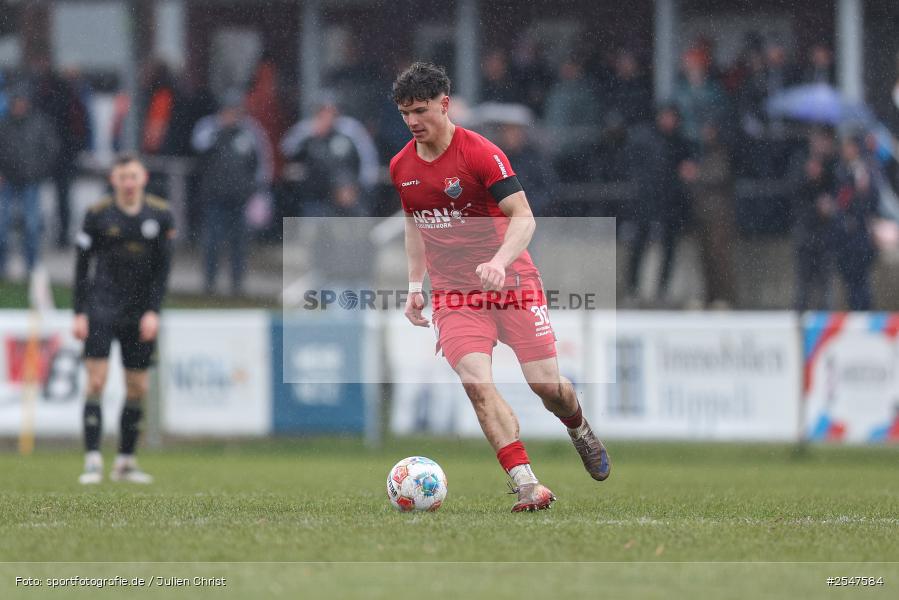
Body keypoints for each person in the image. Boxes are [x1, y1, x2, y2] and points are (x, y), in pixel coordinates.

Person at [389, 62, 610, 513]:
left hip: (512, 282)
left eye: (421, 110)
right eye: (405, 113)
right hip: (455, 294)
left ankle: (579, 426)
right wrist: (415, 283)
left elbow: (523, 217)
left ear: (444, 105)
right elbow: (415, 225)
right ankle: (527, 483)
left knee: (547, 387)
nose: (413, 121)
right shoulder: (402, 166)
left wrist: (498, 260)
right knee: (476, 383)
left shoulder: (480, 153)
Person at [72, 154, 175, 484]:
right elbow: (81, 267)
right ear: (113, 180)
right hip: (101, 308)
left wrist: (153, 312)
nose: (128, 183)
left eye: (133, 176)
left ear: (143, 177)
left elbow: (163, 270)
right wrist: (79, 312)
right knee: (97, 381)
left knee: (138, 387)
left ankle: (125, 461)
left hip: (139, 313)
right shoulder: (98, 214)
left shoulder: (160, 214)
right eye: (122, 177)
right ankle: (91, 460)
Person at [192, 89, 273, 295]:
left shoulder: (251, 131)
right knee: (212, 242)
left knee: (239, 244)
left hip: (241, 198)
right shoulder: (208, 128)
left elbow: (262, 163)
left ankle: (237, 285)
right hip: (214, 197)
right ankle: (209, 283)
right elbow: (198, 148)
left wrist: (259, 191)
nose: (231, 115)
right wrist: (220, 131)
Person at [624, 105, 693, 302]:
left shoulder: (679, 143)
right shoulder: (645, 139)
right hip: (646, 202)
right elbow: (632, 165)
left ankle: (662, 290)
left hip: (670, 204)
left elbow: (685, 169)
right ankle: (633, 288)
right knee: (639, 245)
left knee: (669, 247)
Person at [281, 93, 379, 217]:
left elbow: (368, 157)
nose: (327, 115)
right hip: (316, 194)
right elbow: (287, 148)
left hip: (348, 191)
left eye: (331, 111)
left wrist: (363, 186)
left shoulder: (350, 129)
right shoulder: (308, 129)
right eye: (323, 111)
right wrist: (312, 132)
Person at [0, 82, 60, 278]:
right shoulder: (4, 124)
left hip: (30, 181)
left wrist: (38, 172)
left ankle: (32, 268)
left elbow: (51, 149)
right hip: (6, 182)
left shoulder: (39, 123)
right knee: (2, 226)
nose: (19, 106)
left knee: (32, 227)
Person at [832, 133, 878, 311]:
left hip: (859, 235)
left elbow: (872, 201)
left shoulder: (866, 168)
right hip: (844, 235)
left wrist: (864, 188)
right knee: (848, 281)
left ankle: (864, 313)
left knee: (862, 281)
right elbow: (840, 199)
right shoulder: (840, 169)